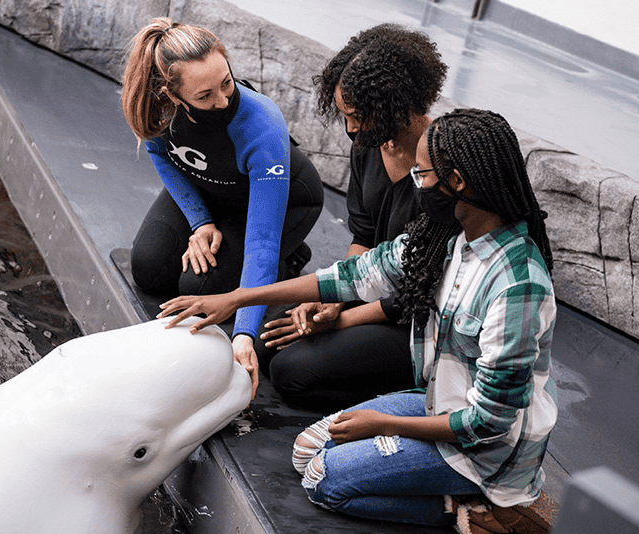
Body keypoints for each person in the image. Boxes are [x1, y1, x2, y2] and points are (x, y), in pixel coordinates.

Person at [158, 108, 558, 532]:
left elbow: (489, 424)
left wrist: (385, 424)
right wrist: (237, 298)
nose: (416, 185)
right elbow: (349, 277)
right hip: (440, 403)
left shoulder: (518, 288)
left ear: (457, 181)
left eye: (421, 175)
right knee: (305, 449)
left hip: (487, 453)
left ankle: (478, 514)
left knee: (323, 480)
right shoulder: (451, 240)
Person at [121, 18, 324, 398]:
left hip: (282, 201)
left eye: (226, 83)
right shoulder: (156, 107)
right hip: (212, 189)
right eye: (205, 96)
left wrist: (244, 333)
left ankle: (291, 257)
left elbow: (261, 238)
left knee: (198, 288)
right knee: (149, 268)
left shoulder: (260, 125)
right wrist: (200, 222)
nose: (223, 100)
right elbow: (164, 157)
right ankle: (225, 238)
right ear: (172, 94)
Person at [254, 24, 449, 411]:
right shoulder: (368, 145)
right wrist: (331, 301)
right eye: (345, 115)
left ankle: (409, 399)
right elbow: (363, 237)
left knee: (291, 372)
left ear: (397, 103)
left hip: (413, 318)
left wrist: (341, 318)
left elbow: (416, 293)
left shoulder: (441, 167)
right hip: (370, 284)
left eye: (359, 115)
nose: (351, 128)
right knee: (265, 340)